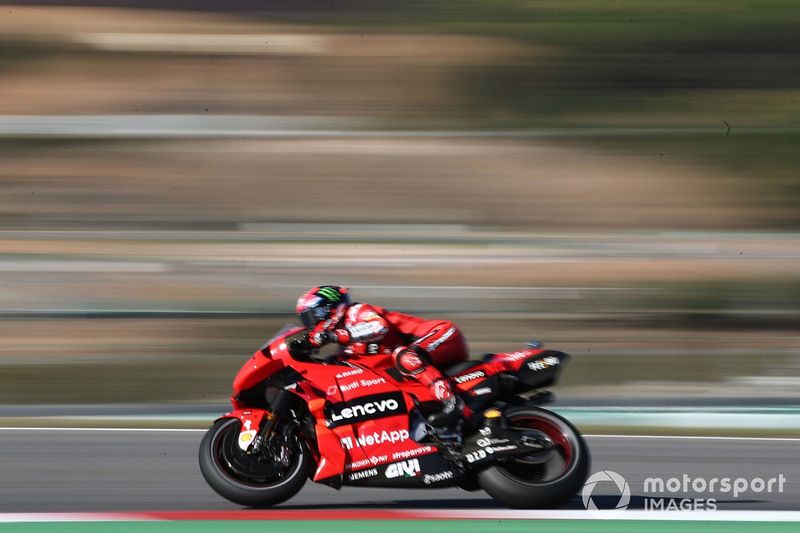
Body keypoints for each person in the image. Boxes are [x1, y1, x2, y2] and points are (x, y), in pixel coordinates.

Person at [294, 285, 469, 432]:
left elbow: (379, 327)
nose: (311, 325)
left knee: (405, 356)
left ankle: (452, 402)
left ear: (328, 307)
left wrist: (333, 335)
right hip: (417, 358)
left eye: (311, 316)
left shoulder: (355, 312)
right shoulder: (347, 345)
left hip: (441, 334)